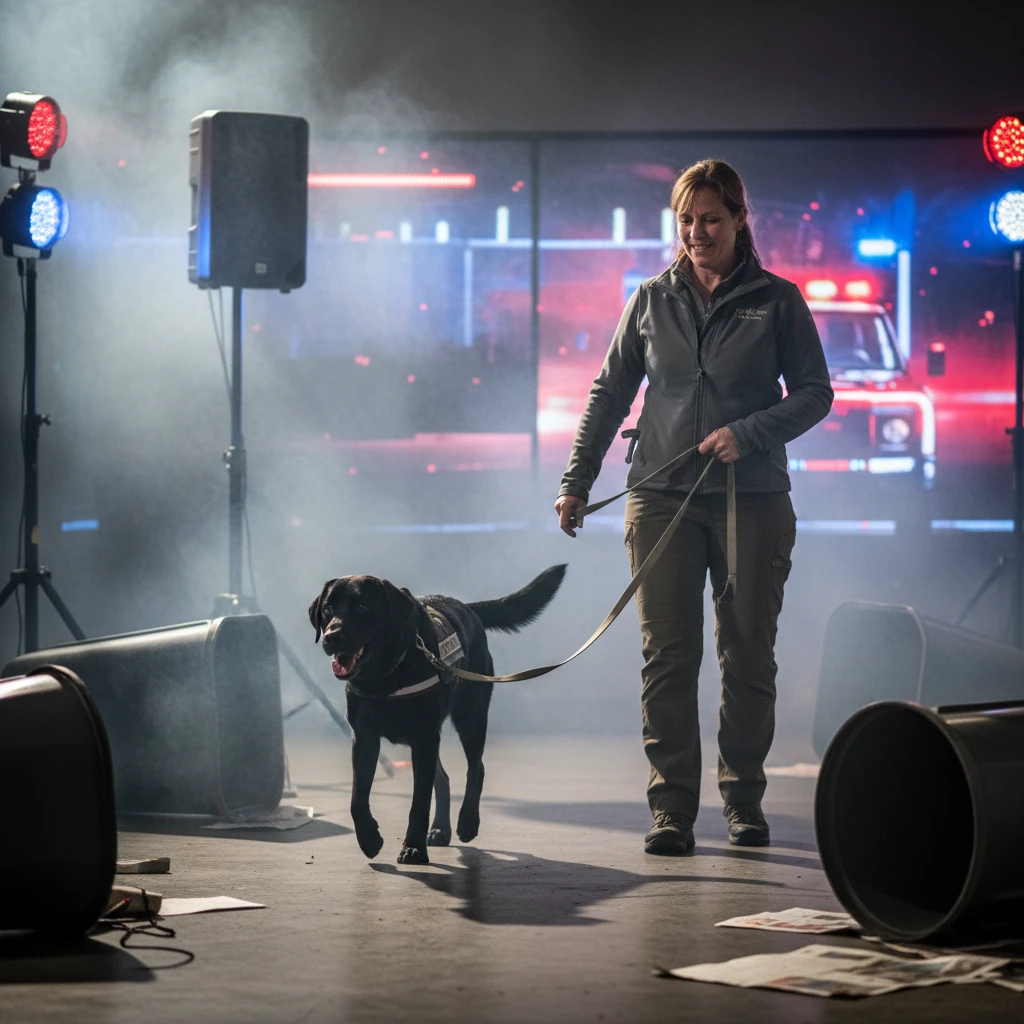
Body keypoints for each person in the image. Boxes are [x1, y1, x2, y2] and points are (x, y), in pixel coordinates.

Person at [554, 159, 833, 855]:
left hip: (754, 500)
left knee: (746, 657)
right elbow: (608, 393)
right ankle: (671, 810)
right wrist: (576, 480)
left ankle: (743, 802)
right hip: (659, 498)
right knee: (668, 658)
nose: (697, 233)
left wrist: (749, 432)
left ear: (740, 220)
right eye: (685, 220)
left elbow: (814, 392)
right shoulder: (650, 299)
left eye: (711, 219)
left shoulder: (778, 300)